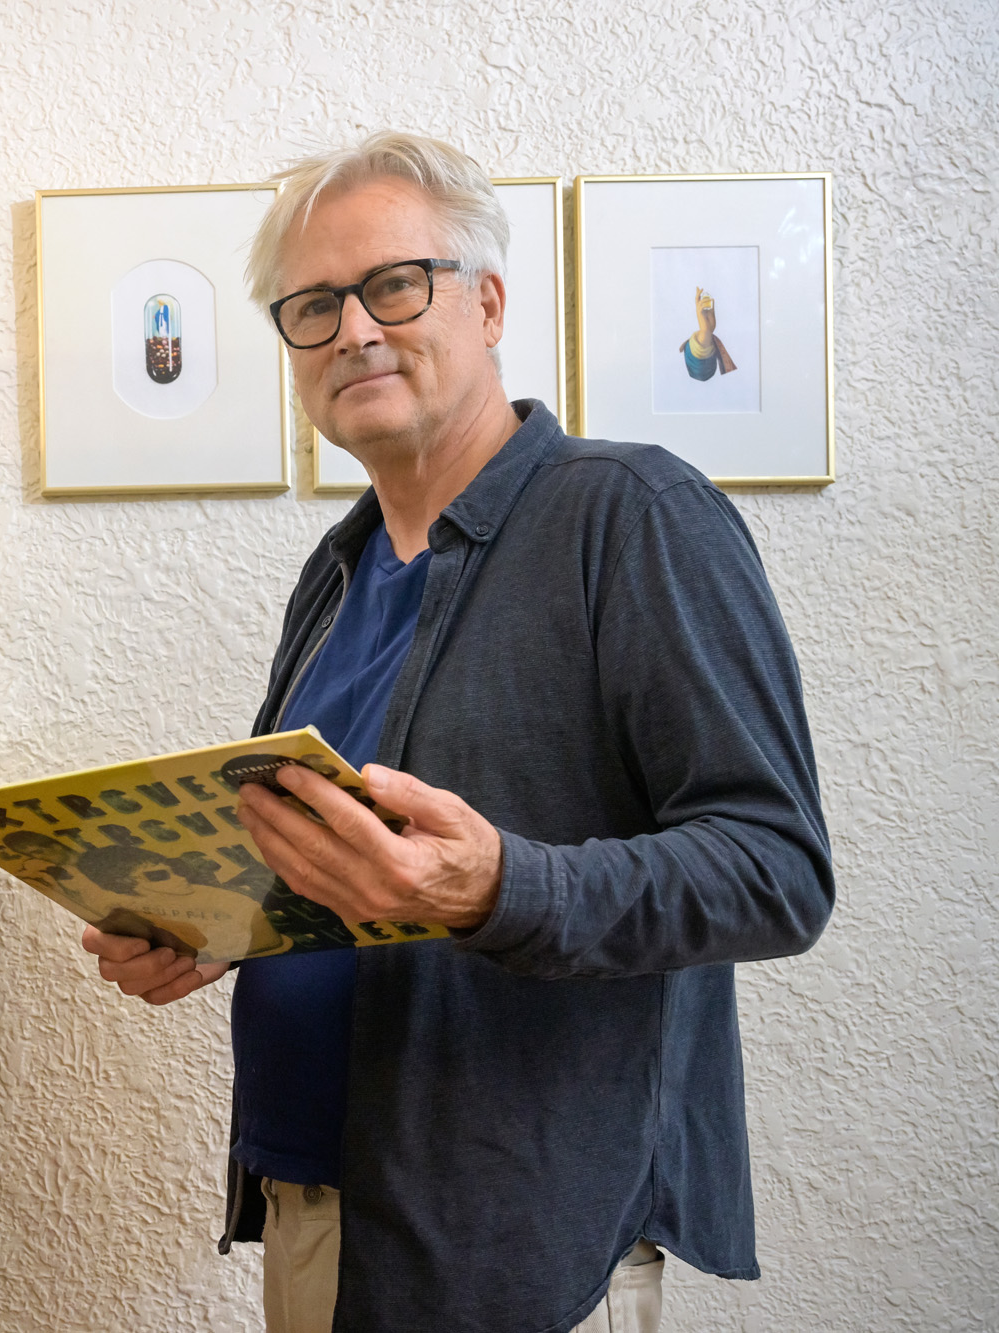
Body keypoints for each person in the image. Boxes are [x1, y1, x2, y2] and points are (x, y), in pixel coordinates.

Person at [79, 131, 832, 1333]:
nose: (353, 332)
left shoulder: (632, 516)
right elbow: (337, 877)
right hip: (317, 1205)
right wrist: (215, 924)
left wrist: (494, 887)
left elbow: (775, 871)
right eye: (311, 306)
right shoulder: (332, 576)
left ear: (484, 302)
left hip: (520, 1235)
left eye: (391, 285)